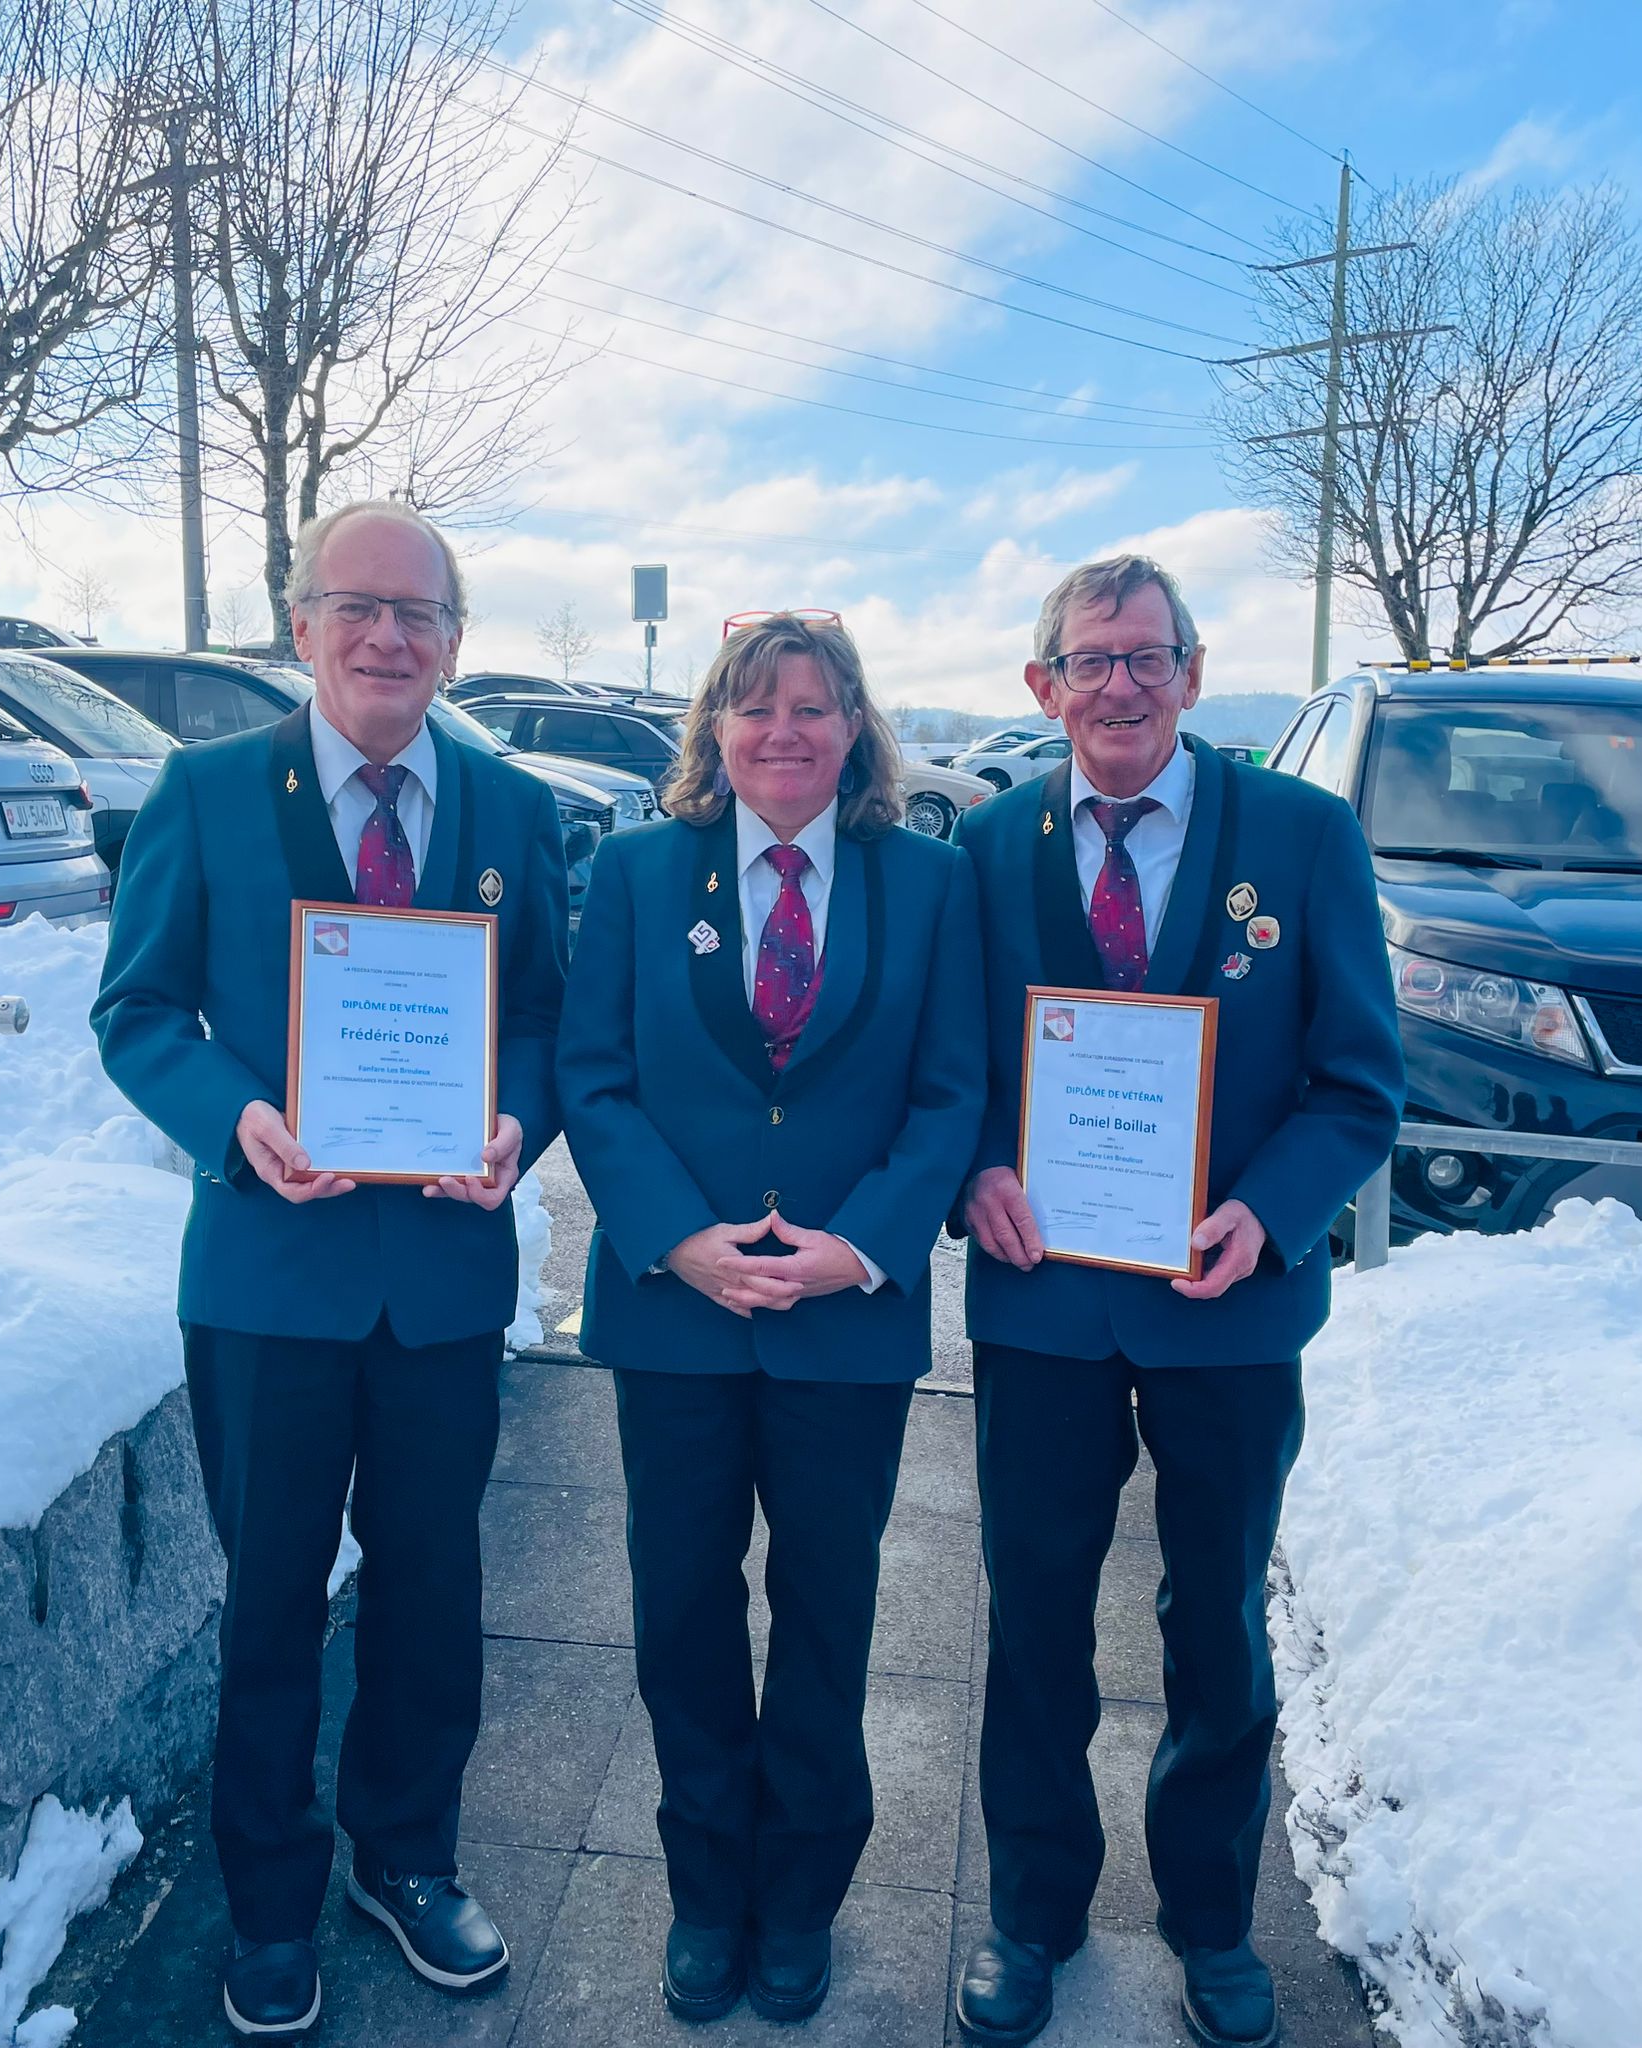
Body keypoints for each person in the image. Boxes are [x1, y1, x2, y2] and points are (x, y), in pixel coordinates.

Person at [91, 500, 567, 2039]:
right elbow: (139, 1011)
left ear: (453, 642)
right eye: (355, 606)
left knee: (432, 1587)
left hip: (440, 1281)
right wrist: (235, 1119)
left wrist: (515, 1121)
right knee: (272, 1598)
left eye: (418, 613)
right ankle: (270, 1898)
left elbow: (545, 1019)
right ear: (300, 625)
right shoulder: (207, 792)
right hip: (269, 1279)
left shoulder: (510, 809)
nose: (385, 636)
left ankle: (407, 1857)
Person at [950, 557, 1403, 2048]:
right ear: (1044, 687)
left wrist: (1267, 1213)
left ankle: (1210, 1916)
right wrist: (976, 1172)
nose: (1120, 687)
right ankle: (1031, 1910)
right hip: (1042, 1302)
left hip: (1228, 1304)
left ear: (1193, 675)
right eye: (1090, 661)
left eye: (1148, 657)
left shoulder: (1304, 833)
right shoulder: (985, 845)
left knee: (1216, 1621)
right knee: (1033, 1620)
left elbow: (1358, 1083)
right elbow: (948, 1066)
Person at [557, 614, 984, 2024]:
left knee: (826, 1611)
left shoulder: (928, 881)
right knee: (681, 1607)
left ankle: (799, 1893)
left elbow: (952, 1091)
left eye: (812, 705)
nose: (784, 731)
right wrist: (676, 1240)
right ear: (715, 731)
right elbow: (594, 1076)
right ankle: (704, 1886)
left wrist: (860, 1249)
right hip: (675, 1316)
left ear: (855, 726)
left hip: (841, 1321)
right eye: (755, 707)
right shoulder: (637, 873)